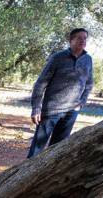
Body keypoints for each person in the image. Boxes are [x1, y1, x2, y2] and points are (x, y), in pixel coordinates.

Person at [27, 28, 93, 157]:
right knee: (37, 150)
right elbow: (41, 83)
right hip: (51, 110)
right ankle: (24, 175)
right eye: (79, 38)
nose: (83, 41)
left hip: (71, 111)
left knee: (56, 151)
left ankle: (47, 176)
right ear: (71, 40)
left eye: (85, 38)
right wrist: (36, 108)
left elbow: (89, 83)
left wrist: (82, 102)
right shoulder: (58, 57)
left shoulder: (88, 60)